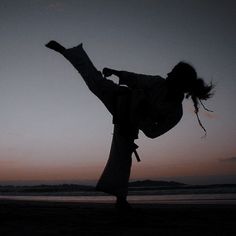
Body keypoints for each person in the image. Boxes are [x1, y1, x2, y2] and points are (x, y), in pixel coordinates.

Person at [45, 41, 214, 209]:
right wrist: (116, 72)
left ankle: (120, 199)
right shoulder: (157, 82)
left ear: (180, 82)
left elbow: (153, 132)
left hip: (131, 122)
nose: (168, 73)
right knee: (96, 82)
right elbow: (137, 79)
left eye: (173, 73)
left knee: (123, 156)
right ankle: (70, 53)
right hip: (123, 99)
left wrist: (141, 115)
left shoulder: (175, 112)